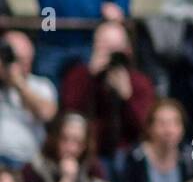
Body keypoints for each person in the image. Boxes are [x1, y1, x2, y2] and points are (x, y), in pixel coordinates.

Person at [59, 20, 155, 159]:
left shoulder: (139, 81)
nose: (109, 57)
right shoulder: (78, 76)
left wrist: (127, 98)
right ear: (94, 47)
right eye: (104, 48)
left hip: (127, 152)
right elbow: (70, 116)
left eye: (114, 50)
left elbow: (145, 128)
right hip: (87, 150)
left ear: (127, 51)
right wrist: (90, 78)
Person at [0, 31, 59, 168]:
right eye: (17, 59)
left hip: (26, 164)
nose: (23, 65)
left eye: (26, 59)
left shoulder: (41, 85)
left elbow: (47, 113)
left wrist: (18, 83)